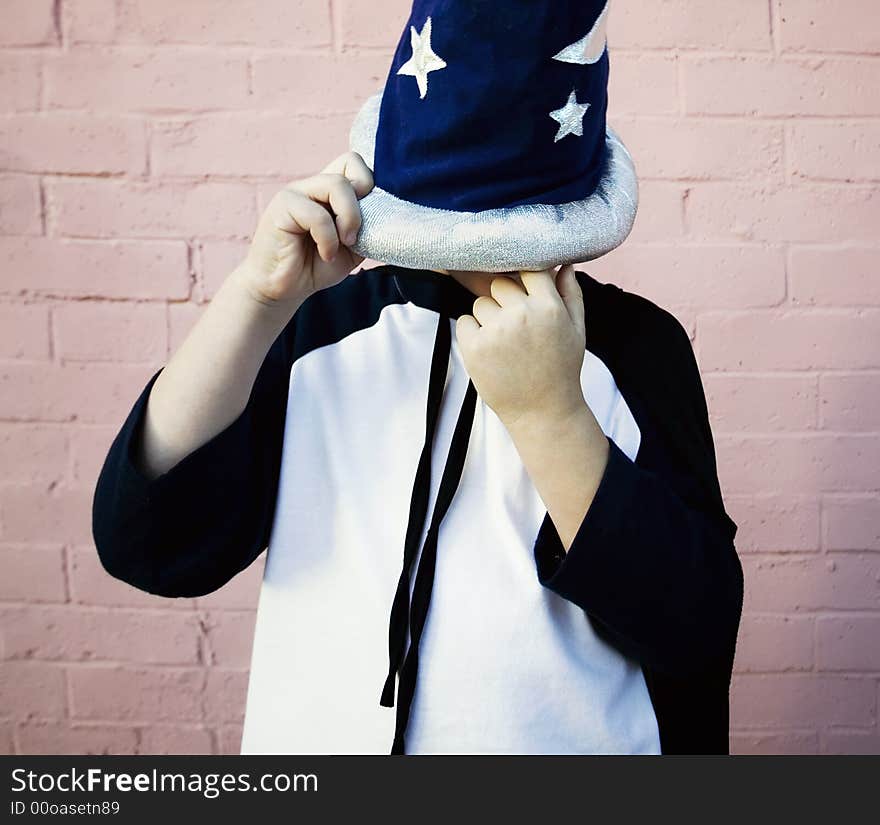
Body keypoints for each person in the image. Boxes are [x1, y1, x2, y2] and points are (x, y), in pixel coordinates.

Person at [92, 0, 744, 755]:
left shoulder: (637, 351)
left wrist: (552, 417)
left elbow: (697, 634)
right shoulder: (319, 330)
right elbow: (147, 543)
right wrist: (254, 299)